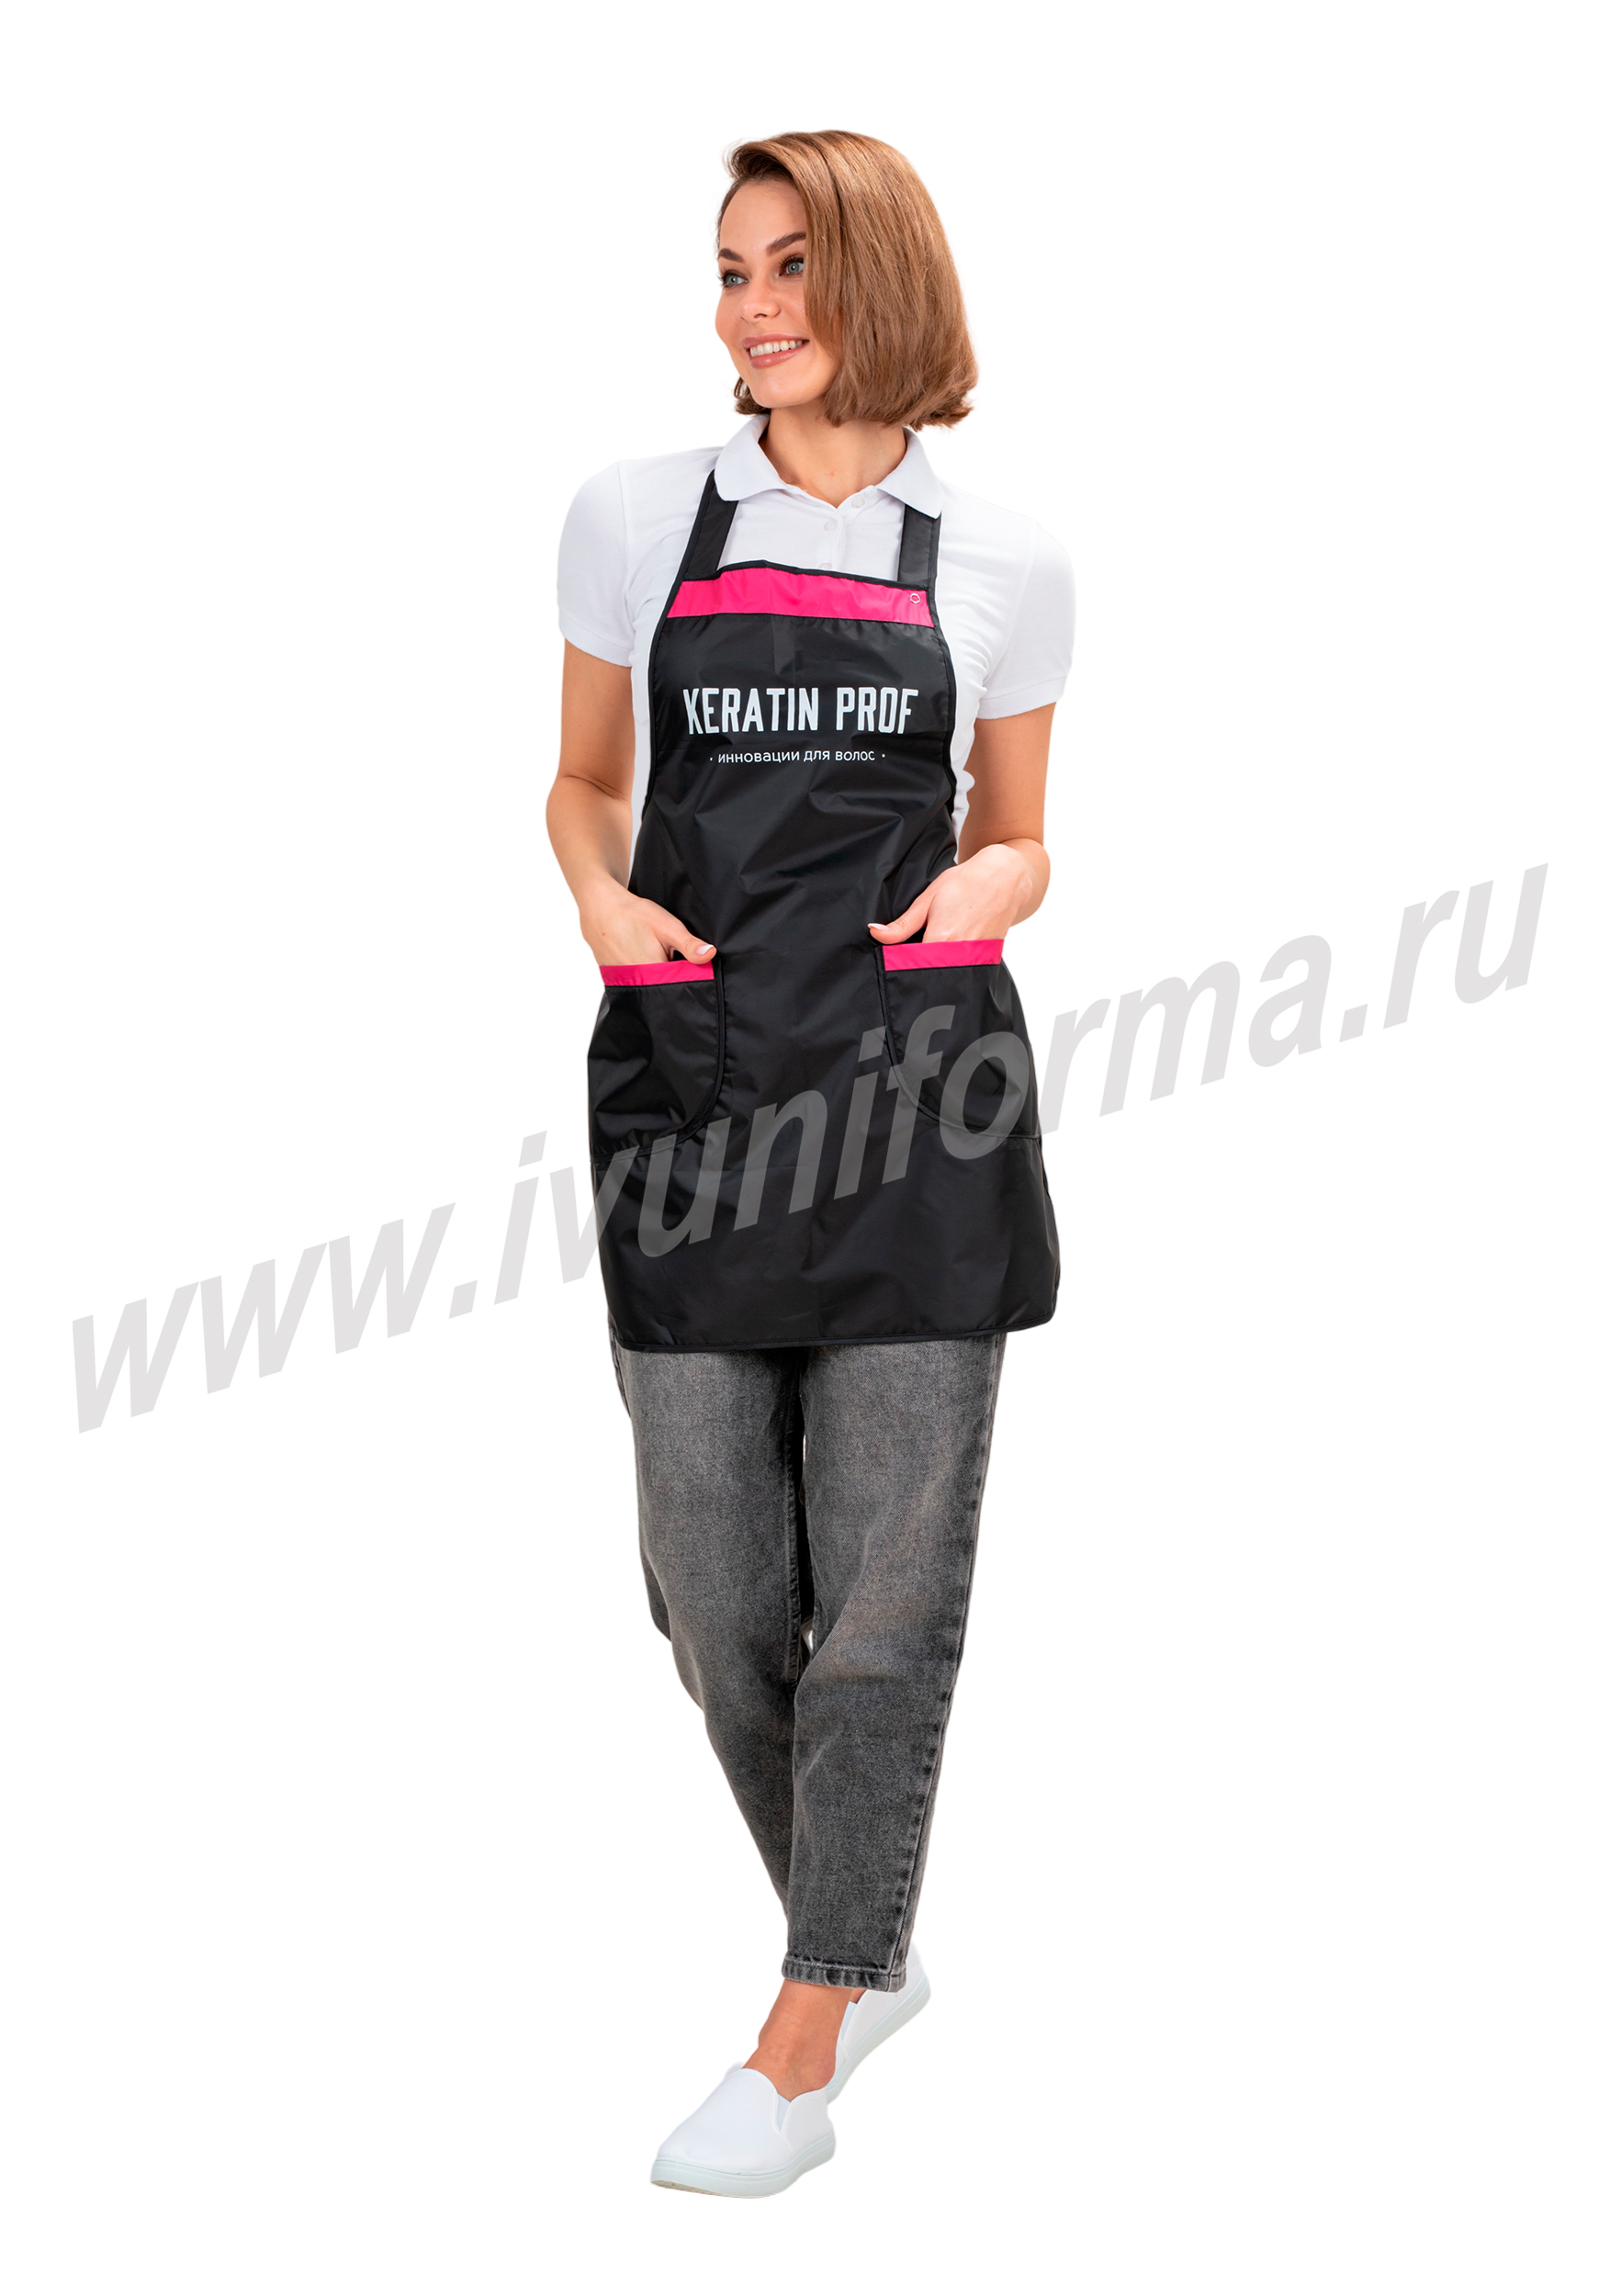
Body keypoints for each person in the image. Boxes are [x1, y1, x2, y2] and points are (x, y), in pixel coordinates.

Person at [547, 129, 1074, 2198]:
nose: (750, 309)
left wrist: (1000, 879)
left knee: (883, 1609)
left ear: (885, 281)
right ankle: (866, 1942)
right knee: (710, 1591)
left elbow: (1023, 828)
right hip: (693, 1091)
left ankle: (797, 2037)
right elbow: (582, 783)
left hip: (919, 1106)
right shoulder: (632, 516)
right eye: (729, 270)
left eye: (792, 268)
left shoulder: (1002, 555)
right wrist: (599, 901)